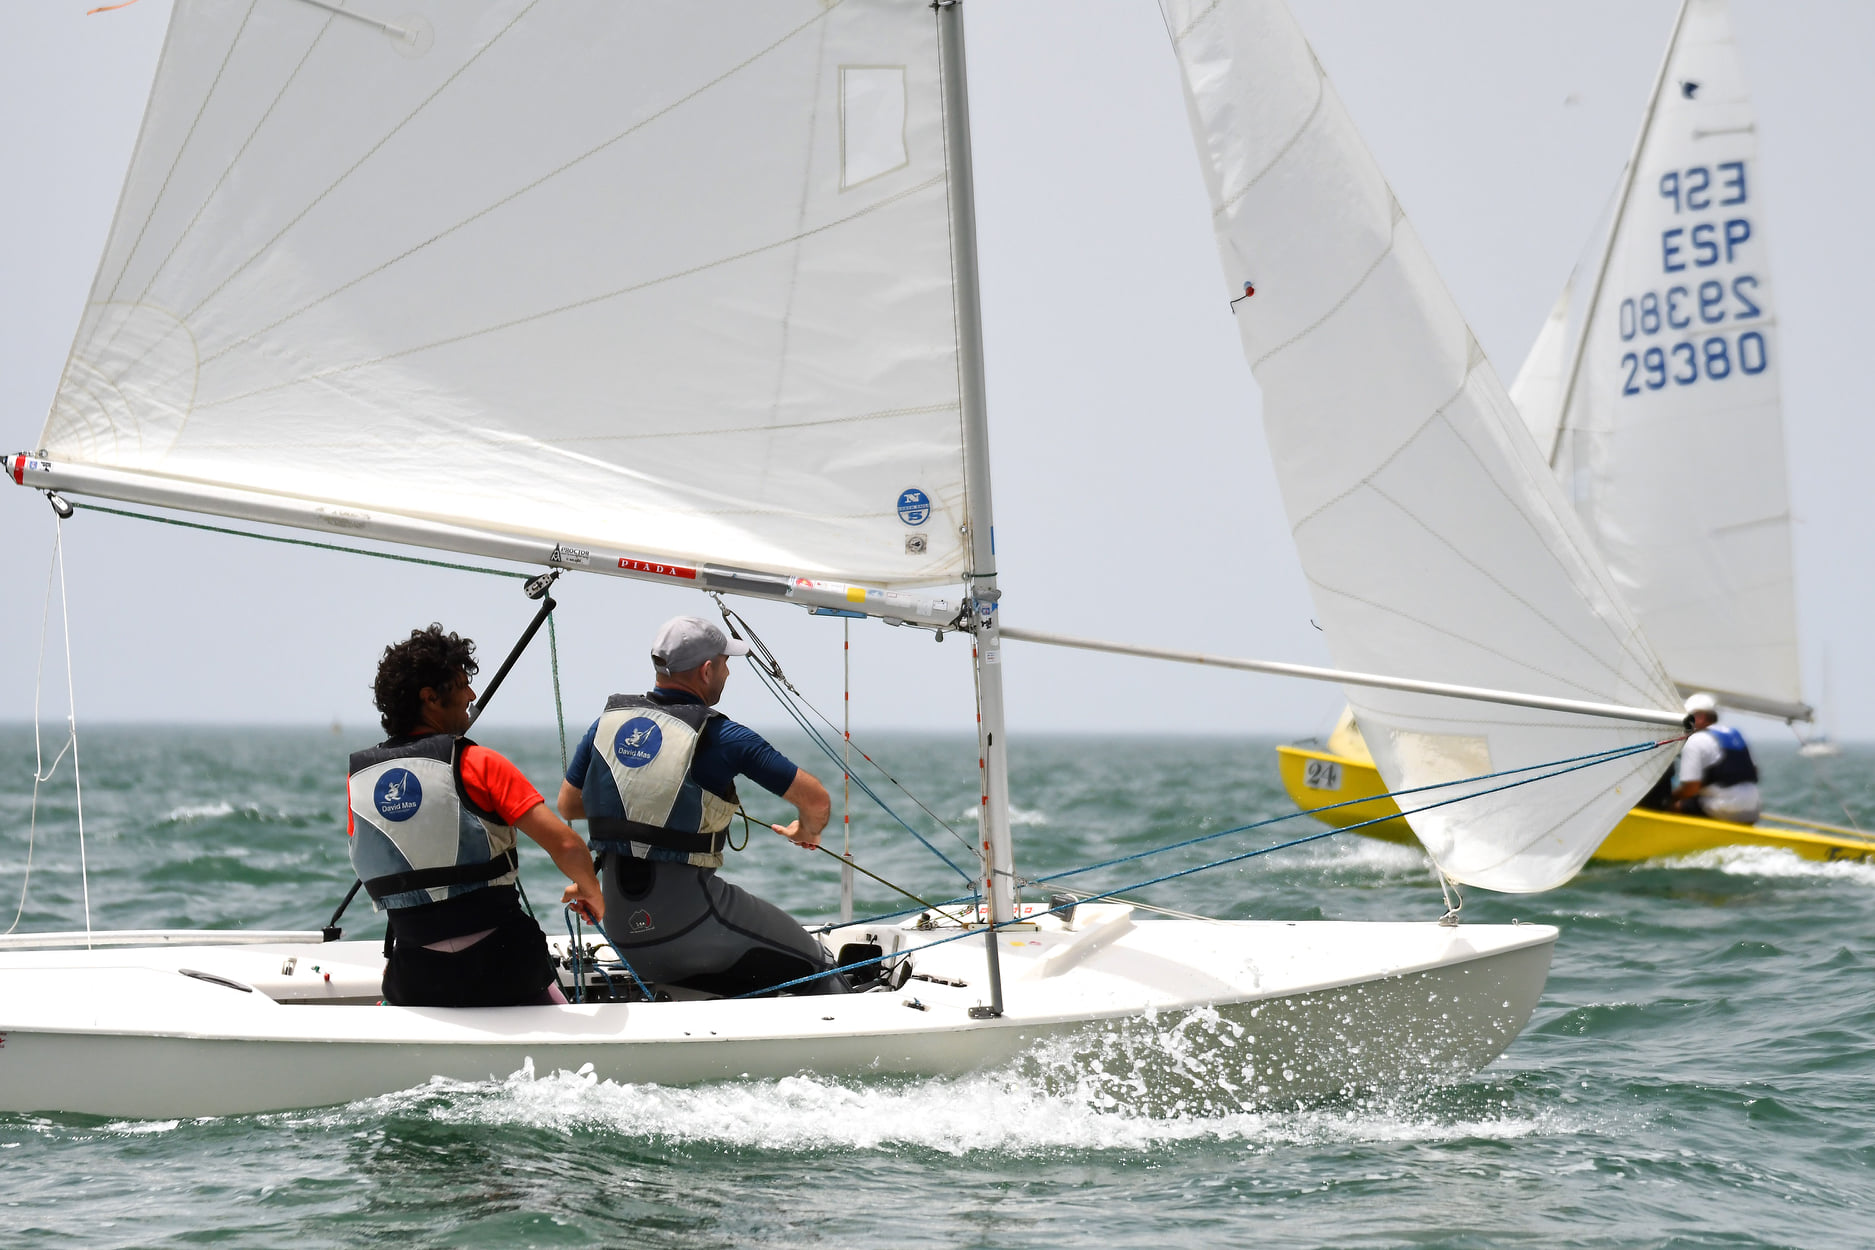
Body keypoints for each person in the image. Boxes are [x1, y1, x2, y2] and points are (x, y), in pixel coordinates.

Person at [556, 615, 844, 996]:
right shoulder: (723, 736)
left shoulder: (605, 725)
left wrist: (645, 804)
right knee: (819, 965)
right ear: (707, 671)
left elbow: (570, 805)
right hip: (691, 927)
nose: (728, 672)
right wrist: (806, 830)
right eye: (726, 663)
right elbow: (816, 800)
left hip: (626, 936)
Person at [348, 624, 605, 1007]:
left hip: (416, 977)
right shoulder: (477, 762)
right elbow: (566, 843)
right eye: (462, 684)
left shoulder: (359, 781)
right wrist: (593, 892)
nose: (471, 695)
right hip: (504, 969)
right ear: (430, 697)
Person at [1672, 692, 1762, 825]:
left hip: (1724, 809)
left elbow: (1691, 788)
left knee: (1674, 805)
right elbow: (1754, 771)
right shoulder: (1735, 734)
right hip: (1753, 810)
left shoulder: (1696, 740)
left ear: (1700, 717)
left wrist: (1672, 797)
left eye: (1687, 718)